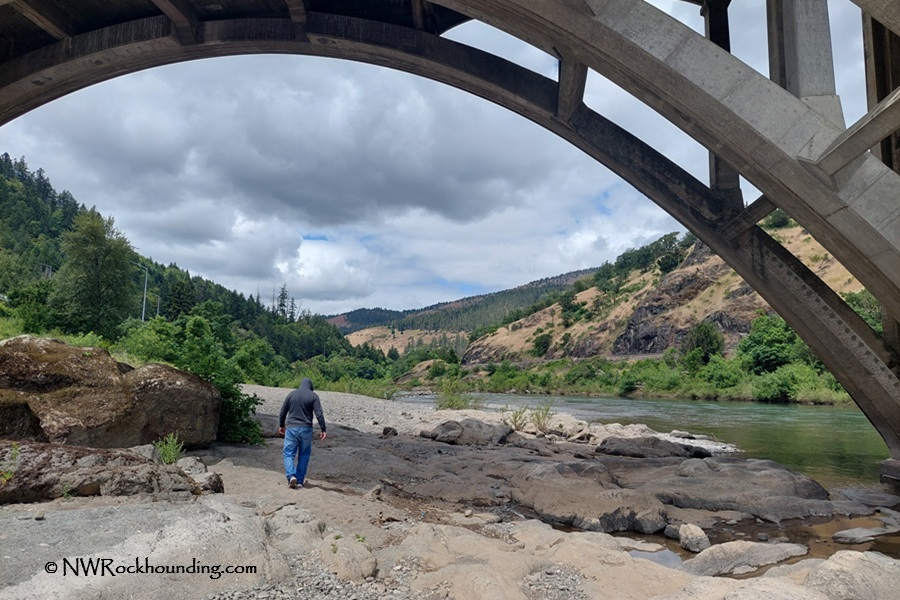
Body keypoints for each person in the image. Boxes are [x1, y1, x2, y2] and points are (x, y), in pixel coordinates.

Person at [277, 377, 327, 489]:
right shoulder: (313, 396)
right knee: (304, 455)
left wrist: (281, 425)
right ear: (310, 386)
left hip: (291, 428)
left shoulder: (291, 394)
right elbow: (319, 414)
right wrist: (323, 429)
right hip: (306, 428)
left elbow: (283, 412)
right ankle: (299, 481)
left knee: (289, 453)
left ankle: (291, 476)